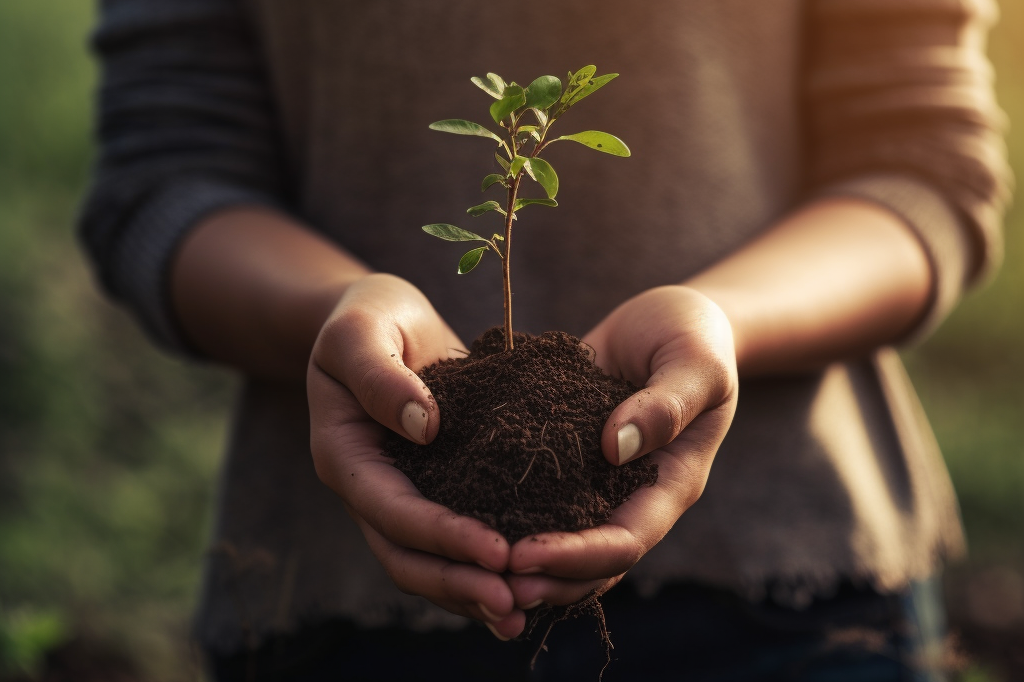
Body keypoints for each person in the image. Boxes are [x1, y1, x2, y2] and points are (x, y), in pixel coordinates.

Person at [80, 0, 1011, 679]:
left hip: (792, 598)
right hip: (341, 606)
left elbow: (921, 167)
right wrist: (336, 313)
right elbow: (166, 181)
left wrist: (718, 324)